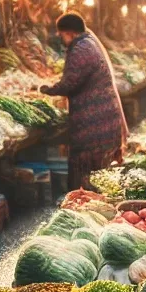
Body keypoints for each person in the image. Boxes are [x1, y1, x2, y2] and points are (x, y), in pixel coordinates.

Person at [40, 12, 127, 191]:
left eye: (62, 35)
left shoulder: (81, 49)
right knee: (99, 171)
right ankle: (93, 199)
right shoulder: (89, 43)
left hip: (93, 121)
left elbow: (70, 82)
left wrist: (47, 89)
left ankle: (84, 201)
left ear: (69, 33)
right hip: (102, 117)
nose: (62, 40)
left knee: (87, 170)